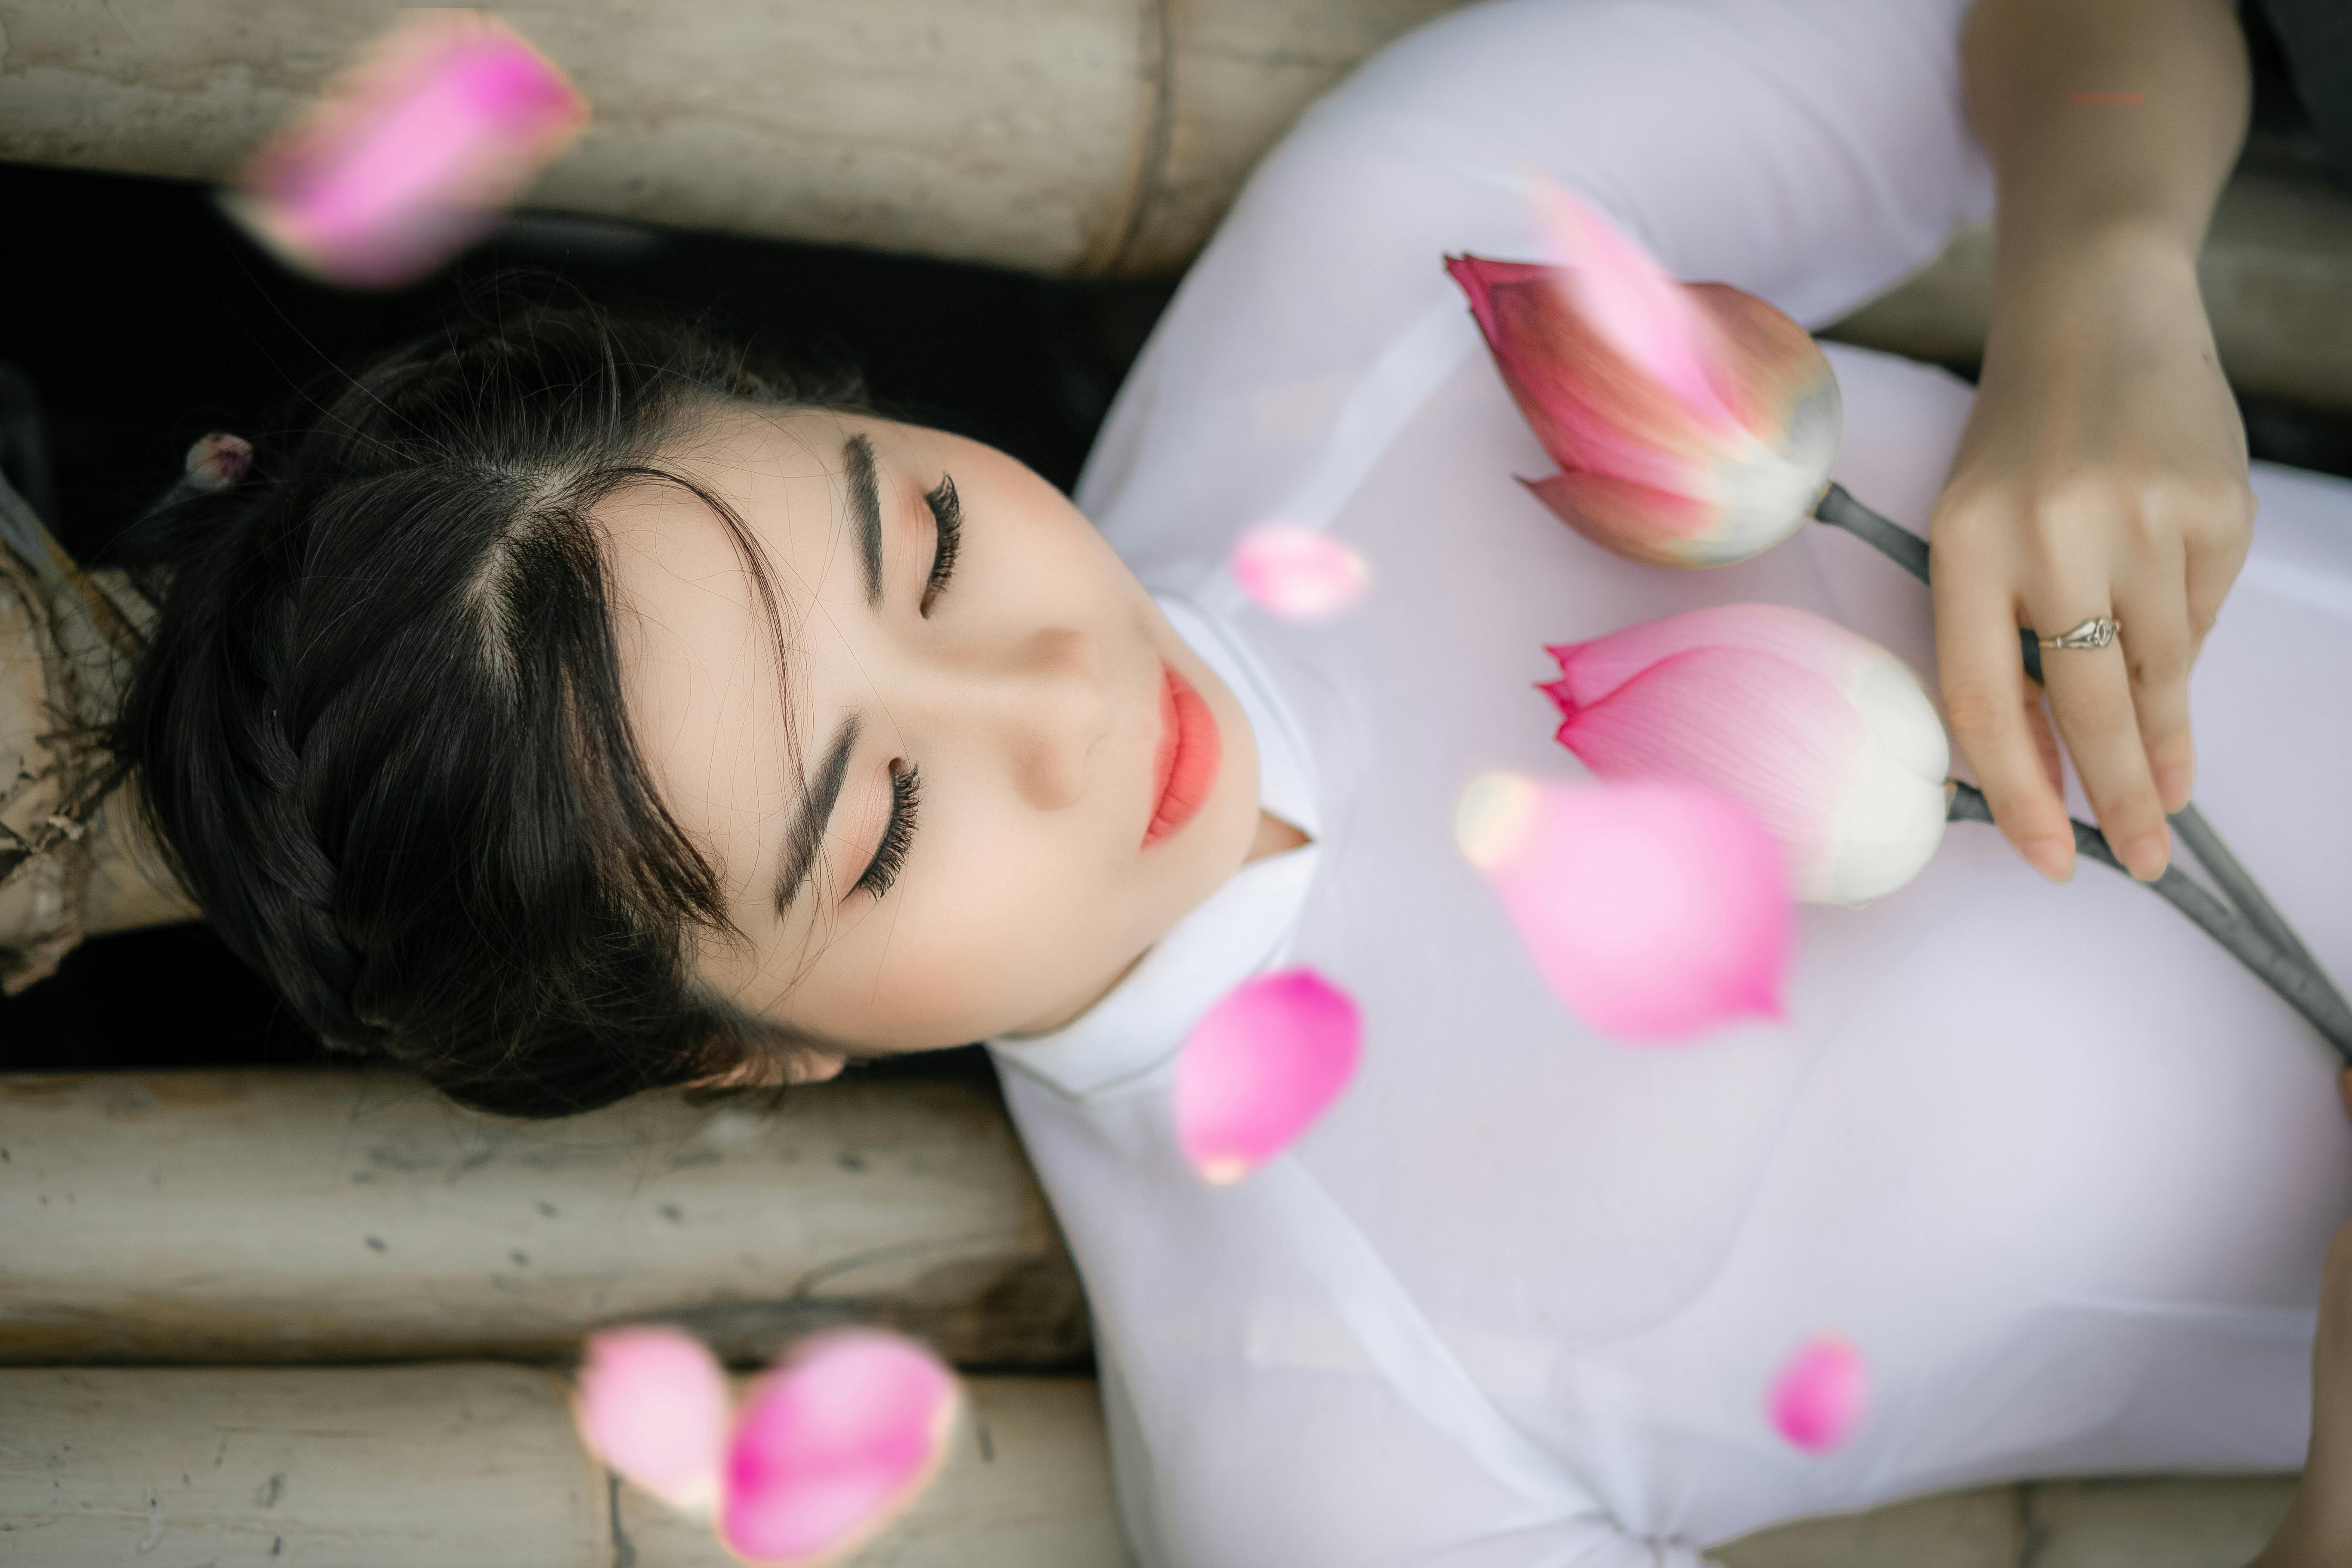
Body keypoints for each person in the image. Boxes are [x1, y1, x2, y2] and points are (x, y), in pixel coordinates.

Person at [108, 0, 2352, 1563]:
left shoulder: (1399, 268)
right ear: (753, 1050)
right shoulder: (1337, 1450)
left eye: (932, 538)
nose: (1055, 697)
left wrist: (2103, 289)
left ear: (832, 404)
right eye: (883, 821)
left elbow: (2071, 18)